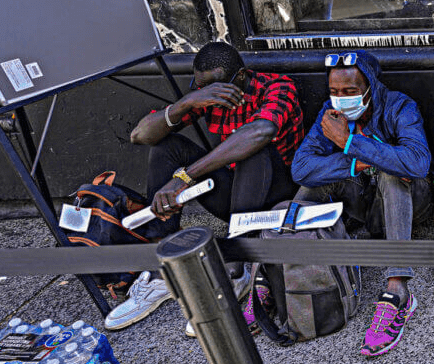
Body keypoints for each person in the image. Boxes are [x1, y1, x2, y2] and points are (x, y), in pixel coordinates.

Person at [106, 42, 305, 331]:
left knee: (252, 147)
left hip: (276, 200)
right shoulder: (205, 96)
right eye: (198, 86)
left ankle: (236, 269)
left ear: (238, 78)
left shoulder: (276, 87)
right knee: (166, 147)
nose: (204, 94)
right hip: (235, 199)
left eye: (211, 88)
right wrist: (187, 103)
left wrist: (184, 176)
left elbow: (261, 131)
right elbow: (140, 135)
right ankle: (164, 270)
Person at [291, 51, 432, 357]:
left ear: (370, 88)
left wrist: (351, 144)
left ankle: (398, 289)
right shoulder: (330, 114)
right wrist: (357, 162)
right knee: (310, 183)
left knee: (393, 173)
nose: (340, 99)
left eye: (350, 92)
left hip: (406, 205)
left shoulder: (400, 106)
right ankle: (278, 267)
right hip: (361, 206)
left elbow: (418, 163)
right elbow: (301, 167)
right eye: (334, 92)